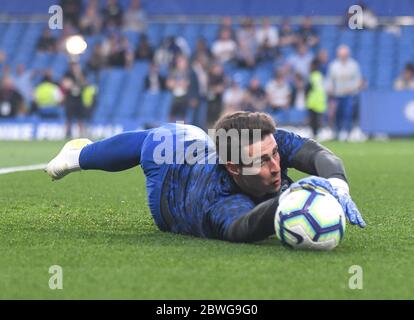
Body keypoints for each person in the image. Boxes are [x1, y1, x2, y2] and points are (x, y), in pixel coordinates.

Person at [46, 111, 365, 243]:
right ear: (234, 168)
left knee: (198, 136)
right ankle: (78, 155)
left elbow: (320, 155)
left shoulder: (262, 142)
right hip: (170, 184)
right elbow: (246, 227)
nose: (275, 165)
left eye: (276, 155)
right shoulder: (218, 199)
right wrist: (292, 199)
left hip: (208, 154)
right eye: (262, 161)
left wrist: (336, 182)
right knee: (167, 136)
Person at [326, 45, 362, 141]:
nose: (343, 56)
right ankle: (337, 132)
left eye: (344, 54)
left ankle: (347, 132)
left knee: (348, 113)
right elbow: (330, 79)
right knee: (337, 114)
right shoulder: (333, 65)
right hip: (337, 94)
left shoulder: (353, 65)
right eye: (341, 54)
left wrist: (352, 88)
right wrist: (329, 88)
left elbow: (358, 80)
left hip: (349, 94)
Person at [306, 59, 327, 138]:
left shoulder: (312, 76)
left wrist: (306, 97)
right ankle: (318, 133)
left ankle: (314, 134)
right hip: (320, 101)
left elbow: (308, 88)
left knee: (313, 120)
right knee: (318, 119)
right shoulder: (320, 76)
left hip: (313, 101)